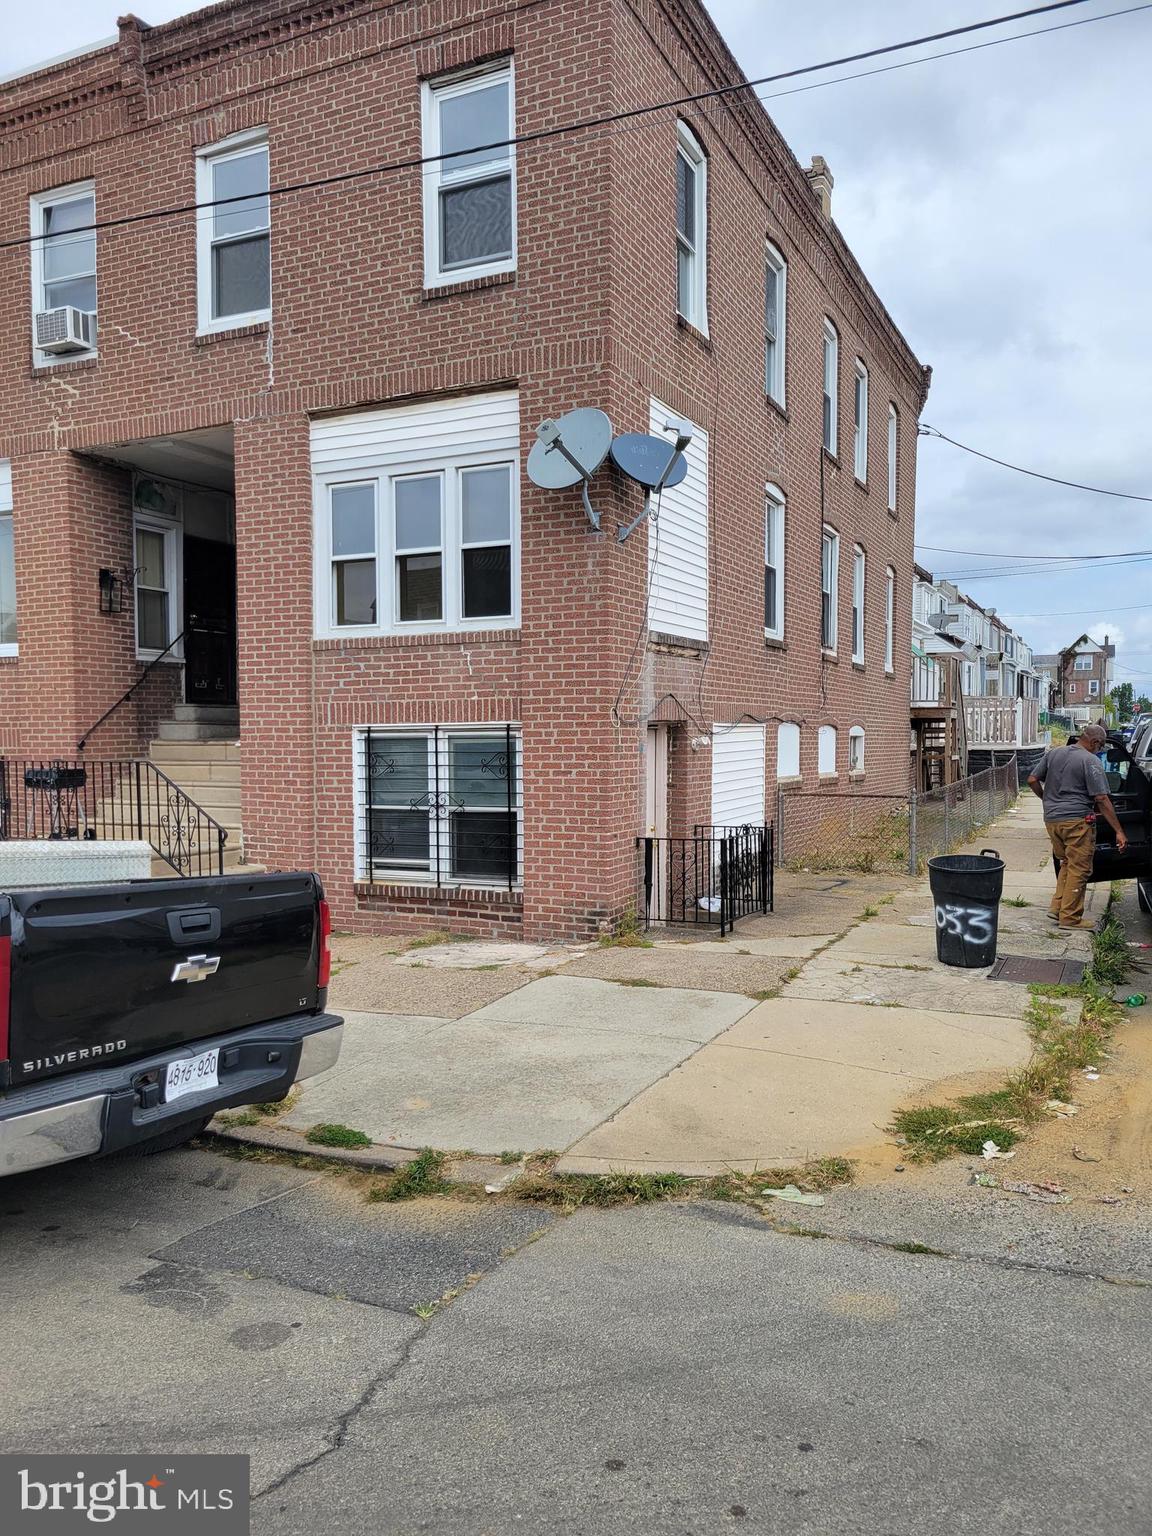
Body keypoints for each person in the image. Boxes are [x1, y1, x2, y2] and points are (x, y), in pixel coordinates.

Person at [1027, 724, 1126, 929]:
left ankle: (1057, 908)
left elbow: (1032, 779)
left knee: (1066, 862)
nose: (1100, 750)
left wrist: (1046, 799)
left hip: (1052, 820)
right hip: (1077, 821)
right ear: (1095, 742)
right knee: (1080, 868)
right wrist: (1118, 831)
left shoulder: (1055, 753)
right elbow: (1101, 798)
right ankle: (1070, 918)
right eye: (1101, 746)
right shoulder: (1091, 761)